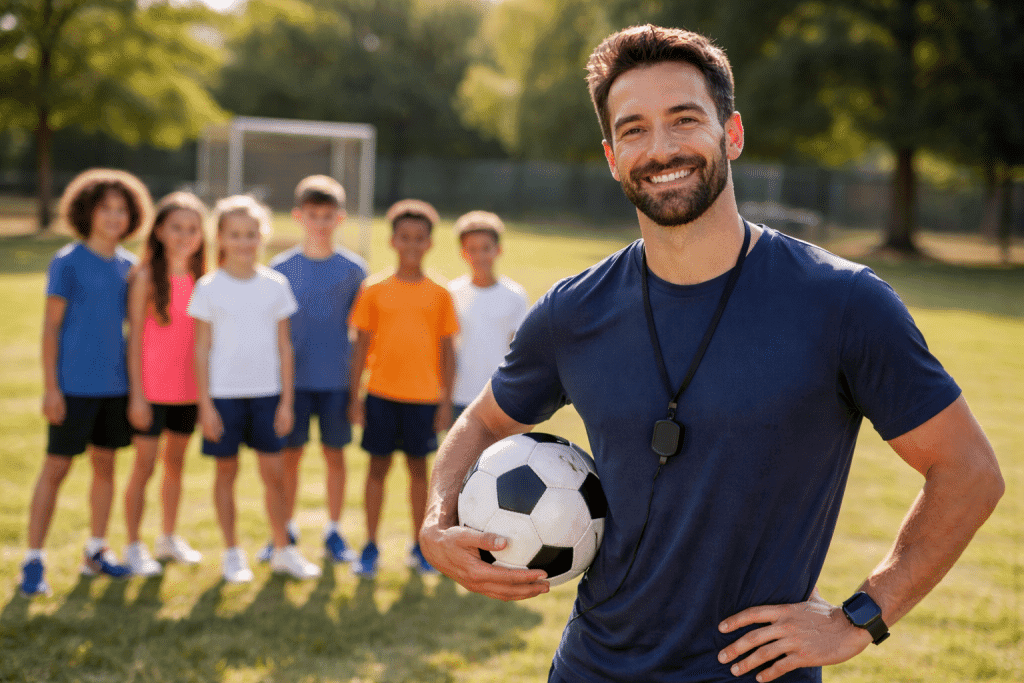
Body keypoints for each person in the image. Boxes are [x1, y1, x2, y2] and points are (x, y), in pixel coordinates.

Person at [419, 24, 1003, 683]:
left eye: (684, 119)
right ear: (612, 156)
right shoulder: (572, 311)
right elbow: (484, 421)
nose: (660, 148)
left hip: (757, 672)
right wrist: (437, 522)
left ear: (732, 133)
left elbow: (968, 471)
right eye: (634, 129)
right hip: (590, 666)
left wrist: (860, 616)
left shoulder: (842, 302)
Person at [21, 169, 152, 596]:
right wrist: (51, 387)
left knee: (106, 466)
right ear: (86, 212)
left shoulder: (131, 269)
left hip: (115, 388)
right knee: (56, 467)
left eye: (122, 210)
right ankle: (33, 560)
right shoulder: (67, 262)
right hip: (73, 387)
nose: (114, 217)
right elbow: (50, 329)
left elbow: (136, 333)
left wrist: (136, 391)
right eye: (105, 208)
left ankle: (96, 550)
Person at [189, 195, 321, 583]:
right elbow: (201, 349)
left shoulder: (275, 285)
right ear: (220, 238)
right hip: (223, 398)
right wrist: (205, 405)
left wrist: (286, 402)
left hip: (268, 397)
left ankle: (283, 550)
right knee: (226, 474)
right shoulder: (208, 287)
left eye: (251, 234)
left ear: (261, 237)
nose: (244, 242)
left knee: (275, 476)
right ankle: (232, 554)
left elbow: (285, 348)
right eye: (235, 234)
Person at [347, 199, 459, 578]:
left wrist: (445, 403)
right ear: (392, 240)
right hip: (380, 396)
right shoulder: (374, 289)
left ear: (430, 243)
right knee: (376, 470)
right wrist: (355, 397)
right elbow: (360, 348)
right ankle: (370, 546)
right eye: (404, 237)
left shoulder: (440, 293)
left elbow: (447, 352)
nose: (411, 244)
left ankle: (420, 547)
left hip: (423, 399)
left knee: (419, 473)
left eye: (419, 238)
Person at [263, 175, 367, 564]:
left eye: (327, 216)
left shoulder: (354, 270)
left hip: (336, 381)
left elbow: (361, 334)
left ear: (339, 218)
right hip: (292, 384)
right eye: (313, 215)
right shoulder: (280, 268)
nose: (320, 223)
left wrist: (356, 390)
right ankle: (284, 529)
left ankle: (334, 531)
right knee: (289, 457)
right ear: (298, 216)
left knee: (334, 456)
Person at [122, 192, 209, 577]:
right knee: (144, 467)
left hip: (188, 393)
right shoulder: (144, 277)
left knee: (175, 466)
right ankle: (132, 545)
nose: (184, 236)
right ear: (158, 231)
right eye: (176, 227)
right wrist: (137, 396)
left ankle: (168, 537)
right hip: (151, 393)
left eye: (192, 228)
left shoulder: (204, 280)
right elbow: (135, 341)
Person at [446, 211, 530, 422]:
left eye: (486, 248)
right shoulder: (451, 293)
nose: (480, 256)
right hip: (459, 395)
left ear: (498, 250)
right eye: (472, 249)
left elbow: (519, 351)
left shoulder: (515, 296)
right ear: (463, 253)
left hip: (499, 397)